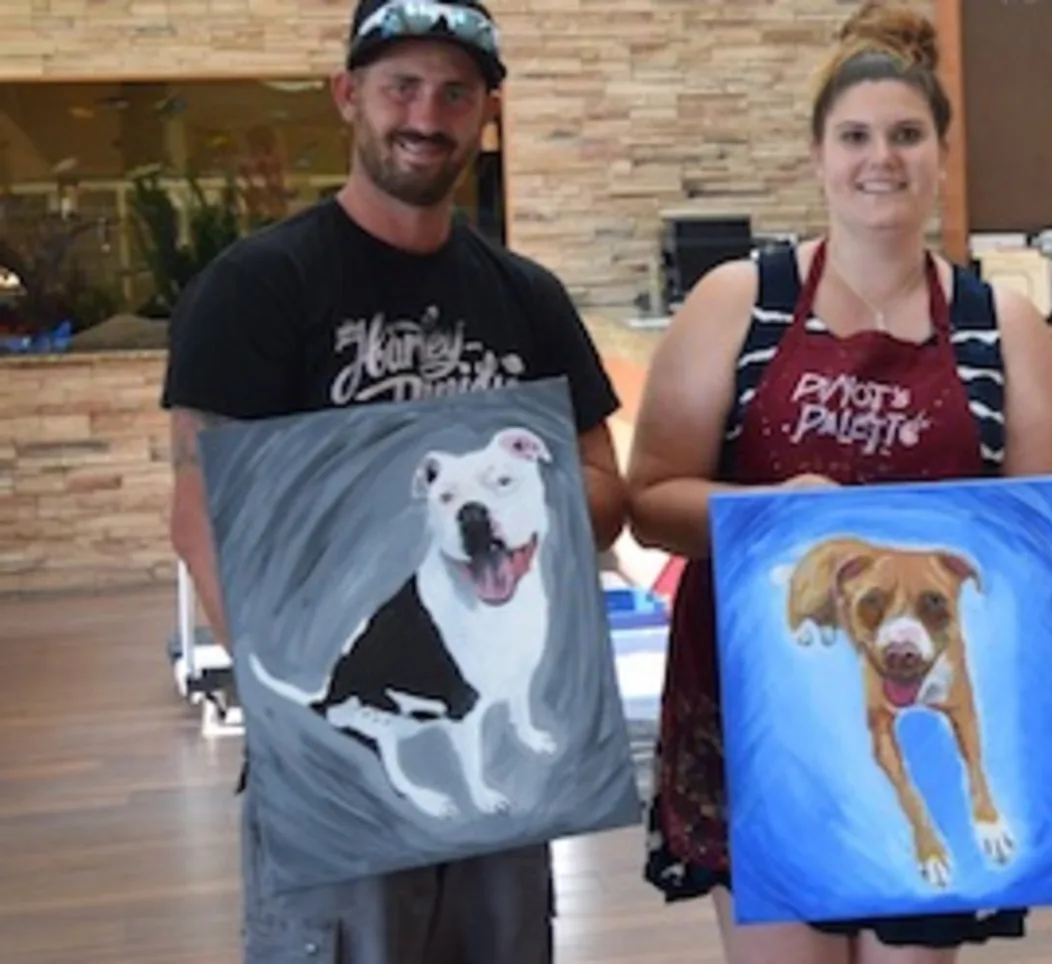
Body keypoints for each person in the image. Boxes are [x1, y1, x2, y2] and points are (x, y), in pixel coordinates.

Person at [159, 1, 627, 961]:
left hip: (504, 776)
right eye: (400, 87)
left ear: (486, 115)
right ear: (347, 97)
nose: (427, 114)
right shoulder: (258, 287)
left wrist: (522, 509)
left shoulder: (527, 298)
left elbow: (604, 492)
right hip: (338, 760)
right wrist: (295, 721)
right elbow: (202, 511)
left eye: (456, 92)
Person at [622, 2, 1052, 961]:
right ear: (820, 155)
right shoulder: (741, 302)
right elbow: (650, 498)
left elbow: (1035, 540)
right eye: (856, 136)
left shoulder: (1005, 324)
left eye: (908, 136)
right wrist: (771, 518)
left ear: (942, 154)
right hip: (760, 708)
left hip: (925, 696)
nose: (883, 159)